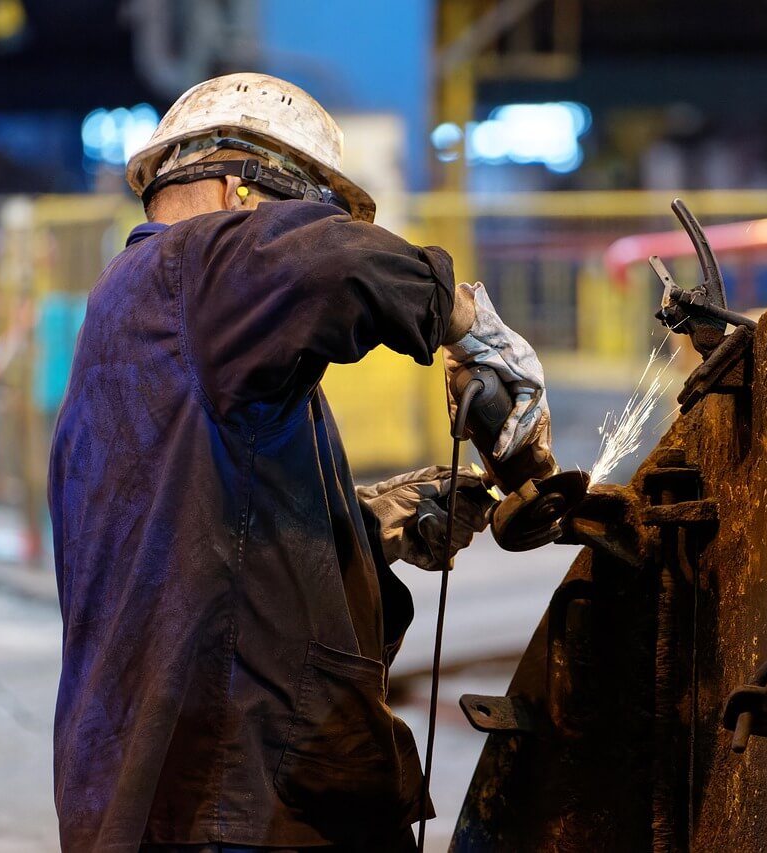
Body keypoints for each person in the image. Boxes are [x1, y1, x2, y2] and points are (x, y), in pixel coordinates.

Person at [48, 73, 551, 852]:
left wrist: (372, 523)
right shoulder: (192, 269)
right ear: (237, 192)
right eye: (303, 215)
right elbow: (333, 264)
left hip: (173, 794)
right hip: (236, 796)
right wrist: (469, 323)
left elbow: (200, 532)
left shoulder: (144, 328)